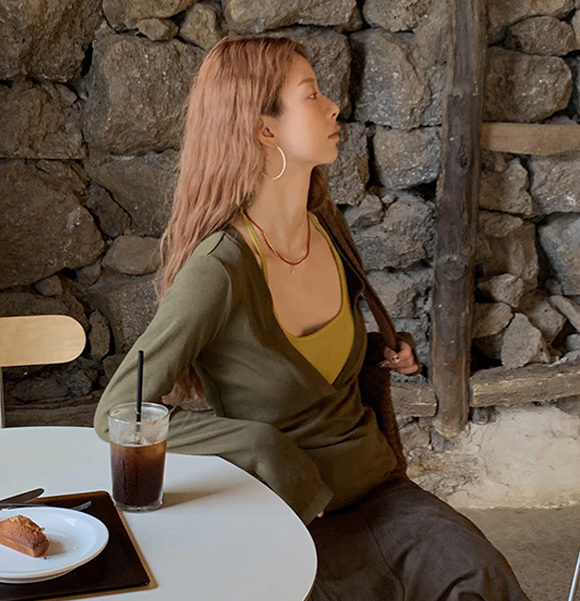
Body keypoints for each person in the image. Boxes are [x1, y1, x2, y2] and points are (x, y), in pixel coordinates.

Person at [94, 36, 529, 601]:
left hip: (382, 493)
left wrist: (375, 348)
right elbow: (118, 413)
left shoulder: (326, 225)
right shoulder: (219, 269)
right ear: (264, 129)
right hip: (290, 514)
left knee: (483, 577)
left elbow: (313, 361)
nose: (333, 107)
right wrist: (260, 445)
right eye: (312, 95)